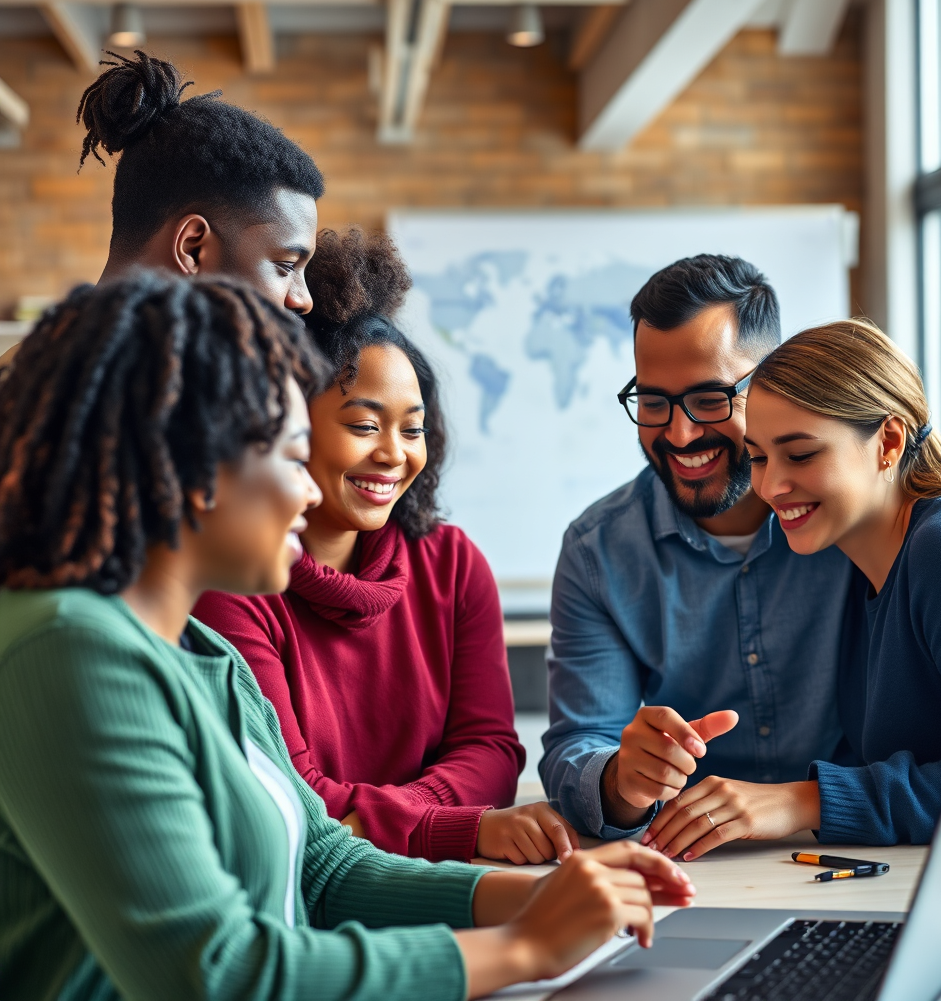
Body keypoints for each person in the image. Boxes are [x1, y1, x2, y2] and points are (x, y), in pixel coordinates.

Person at [0, 272, 695, 1001]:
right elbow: (219, 976)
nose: (307, 493)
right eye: (293, 456)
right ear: (195, 466)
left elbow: (324, 867)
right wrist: (527, 947)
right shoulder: (69, 651)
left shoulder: (204, 658)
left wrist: (546, 899)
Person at [196, 228, 580, 865]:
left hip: (438, 873)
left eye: (413, 429)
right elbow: (296, 801)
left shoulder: (453, 565)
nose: (394, 455)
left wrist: (396, 817)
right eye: (364, 425)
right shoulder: (235, 582)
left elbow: (491, 749)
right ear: (285, 424)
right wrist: (448, 824)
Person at [646, 318, 941, 856]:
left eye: (800, 454)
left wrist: (804, 801)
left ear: (888, 441)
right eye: (758, 457)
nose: (771, 486)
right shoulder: (855, 557)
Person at [540, 254, 853, 845]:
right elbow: (577, 744)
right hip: (697, 869)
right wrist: (620, 781)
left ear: (772, 383)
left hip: (865, 848)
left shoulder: (848, 520)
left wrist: (805, 801)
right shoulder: (597, 551)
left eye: (710, 398)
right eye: (653, 402)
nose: (680, 435)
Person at [0, 49, 322, 369]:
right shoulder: (185, 404)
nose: (303, 300)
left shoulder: (20, 371)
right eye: (286, 266)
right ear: (192, 248)